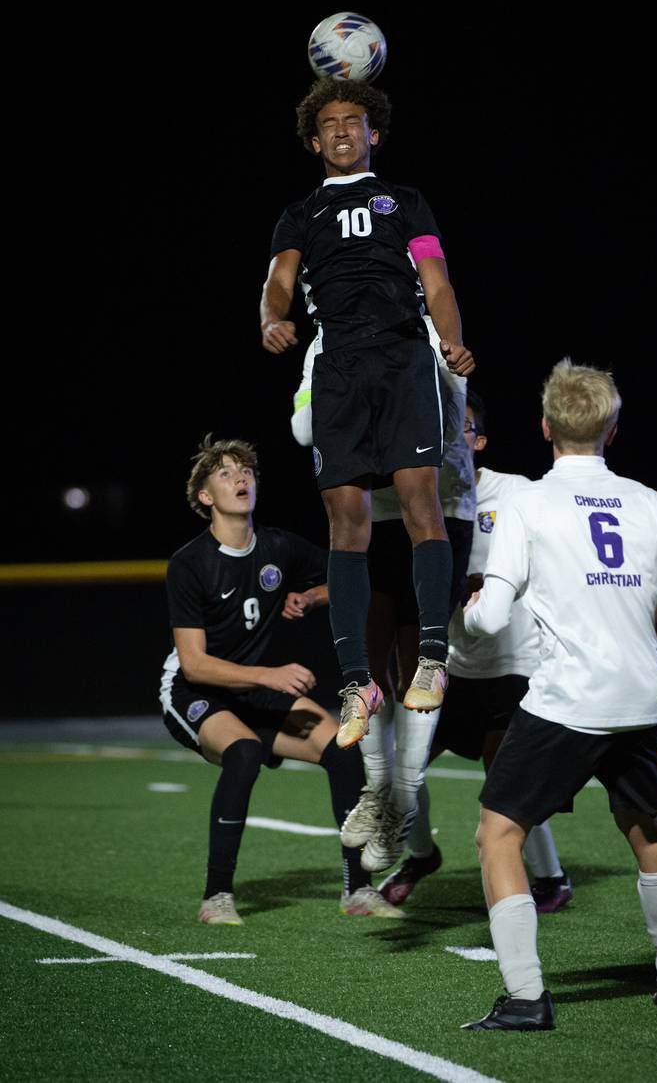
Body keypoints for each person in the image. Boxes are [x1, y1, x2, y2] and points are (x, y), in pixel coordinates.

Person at [460, 359, 657, 1031]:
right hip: (638, 700)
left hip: (566, 700)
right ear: (612, 429)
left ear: (545, 426)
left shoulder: (527, 504)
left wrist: (455, 621)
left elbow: (489, 619)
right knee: (646, 829)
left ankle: (525, 997)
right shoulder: (650, 503)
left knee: (497, 835)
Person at [261, 76, 475, 754]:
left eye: (354, 120)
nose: (343, 130)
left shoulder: (405, 202)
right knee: (345, 523)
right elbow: (278, 281)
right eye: (329, 123)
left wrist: (451, 338)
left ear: (373, 133)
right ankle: (357, 681)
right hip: (340, 368)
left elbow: (436, 279)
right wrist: (272, 317)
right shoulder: (299, 215)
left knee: (420, 505)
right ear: (314, 139)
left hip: (405, 358)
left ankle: (434, 661)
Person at [159, 435, 403, 922]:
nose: (240, 478)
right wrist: (269, 674)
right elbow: (194, 664)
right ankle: (217, 896)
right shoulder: (190, 563)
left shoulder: (278, 547)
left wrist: (311, 597)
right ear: (205, 496)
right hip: (197, 693)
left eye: (246, 469)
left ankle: (357, 890)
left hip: (258, 691)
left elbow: (350, 578)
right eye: (225, 473)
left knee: (342, 748)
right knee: (244, 752)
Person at [290, 317, 476, 870]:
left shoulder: (427, 328)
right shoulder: (327, 336)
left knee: (418, 665)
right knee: (367, 670)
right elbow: (304, 429)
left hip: (437, 513)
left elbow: (443, 434)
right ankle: (378, 788)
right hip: (373, 522)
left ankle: (402, 800)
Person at [380, 390, 571, 911]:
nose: (446, 437)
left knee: (503, 780)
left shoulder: (518, 493)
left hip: (512, 663)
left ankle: (552, 879)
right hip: (453, 666)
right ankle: (421, 855)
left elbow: (560, 552)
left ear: (479, 440)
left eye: (458, 427)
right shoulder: (415, 500)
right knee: (405, 765)